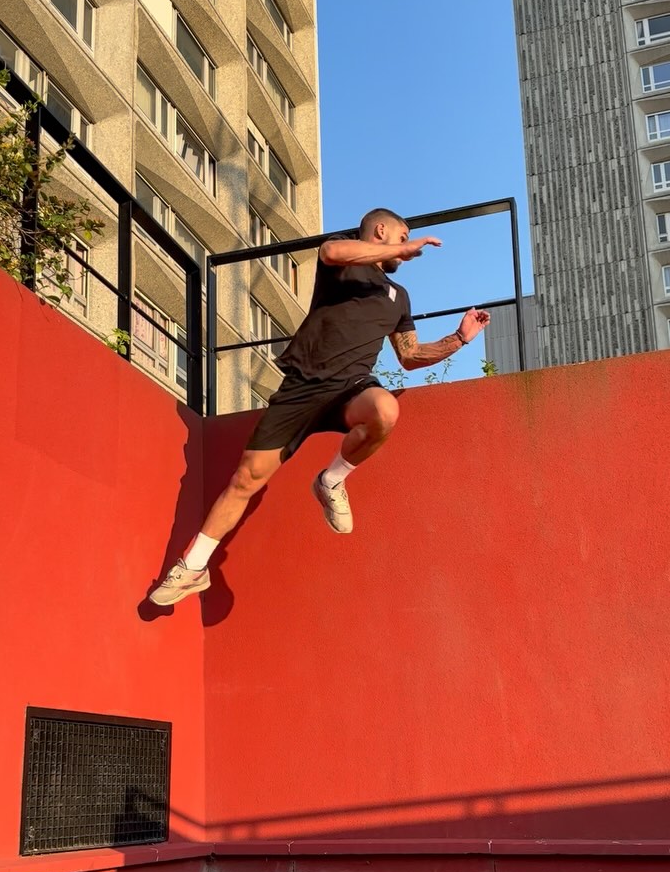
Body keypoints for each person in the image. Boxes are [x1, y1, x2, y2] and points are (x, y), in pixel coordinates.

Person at [150, 207, 490, 605]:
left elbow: (410, 355)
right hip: (301, 389)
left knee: (385, 409)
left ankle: (330, 480)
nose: (406, 250)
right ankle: (194, 567)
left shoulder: (399, 297)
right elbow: (331, 253)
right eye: (402, 238)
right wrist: (407, 246)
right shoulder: (341, 260)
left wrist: (459, 339)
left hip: (350, 389)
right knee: (245, 480)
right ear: (381, 230)